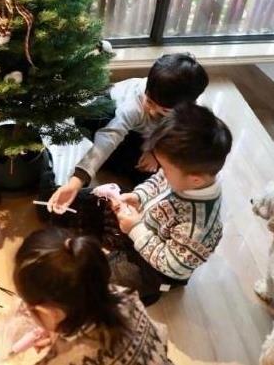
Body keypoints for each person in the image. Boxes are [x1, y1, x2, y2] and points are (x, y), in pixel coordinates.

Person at [104, 102, 232, 305]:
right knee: (101, 200)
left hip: (159, 270)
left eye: (165, 168)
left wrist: (135, 229)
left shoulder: (198, 226)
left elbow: (171, 265)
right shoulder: (183, 176)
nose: (160, 171)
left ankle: (152, 290)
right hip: (146, 229)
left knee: (103, 282)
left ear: (195, 180)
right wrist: (138, 197)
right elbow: (156, 181)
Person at [48, 53, 209, 213]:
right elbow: (110, 135)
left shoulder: (187, 110)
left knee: (162, 167)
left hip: (141, 134)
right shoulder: (134, 105)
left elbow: (177, 134)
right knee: (92, 123)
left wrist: (154, 152)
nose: (151, 111)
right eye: (149, 101)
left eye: (163, 111)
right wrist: (76, 181)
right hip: (110, 116)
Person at [13, 227, 172, 364]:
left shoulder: (63, 360)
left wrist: (60, 347)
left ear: (49, 313)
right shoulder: (124, 296)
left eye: (28, 308)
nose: (25, 311)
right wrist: (58, 335)